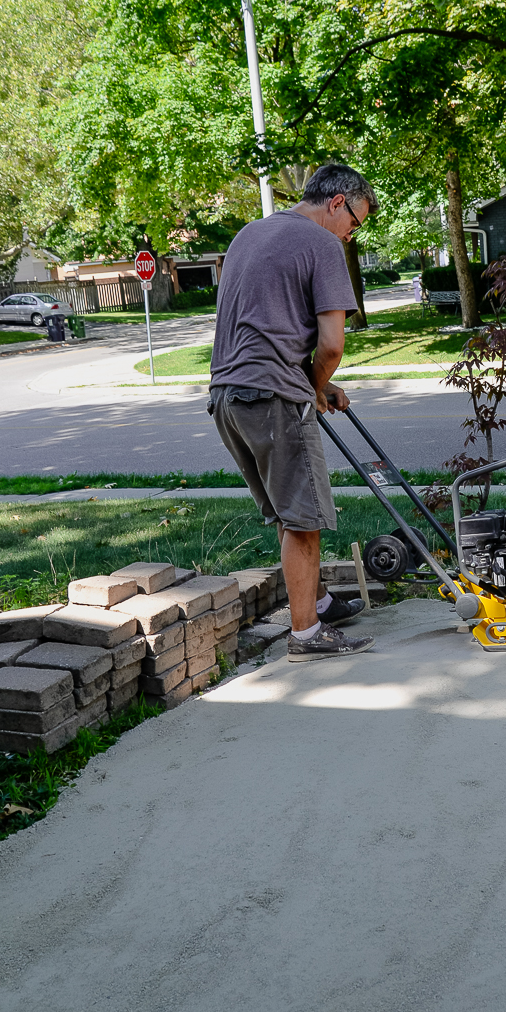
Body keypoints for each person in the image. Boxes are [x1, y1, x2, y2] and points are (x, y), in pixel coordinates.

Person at [208, 163, 377, 662]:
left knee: (288, 508)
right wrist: (316, 385)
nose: (351, 236)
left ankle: (317, 602)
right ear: (337, 202)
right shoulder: (322, 244)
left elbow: (264, 324)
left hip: (227, 396)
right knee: (304, 519)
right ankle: (306, 635)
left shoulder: (251, 232)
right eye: (356, 222)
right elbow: (331, 346)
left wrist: (317, 388)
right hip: (275, 398)